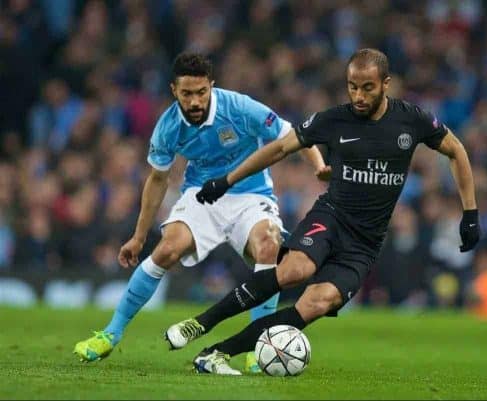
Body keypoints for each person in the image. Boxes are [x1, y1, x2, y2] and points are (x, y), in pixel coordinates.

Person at [164, 48, 480, 375]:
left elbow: (456, 150)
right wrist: (228, 180)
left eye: (367, 87)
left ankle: (216, 353)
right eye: (352, 86)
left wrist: (470, 213)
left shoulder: (412, 120)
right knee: (293, 270)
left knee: (316, 304)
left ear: (386, 84)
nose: (358, 95)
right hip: (331, 218)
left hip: (365, 243)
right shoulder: (334, 119)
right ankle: (201, 324)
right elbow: (281, 147)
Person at [73, 52, 328, 373]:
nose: (195, 101)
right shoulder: (168, 127)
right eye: (186, 94)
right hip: (202, 195)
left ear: (212, 86)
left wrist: (319, 166)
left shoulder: (239, 108)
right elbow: (157, 180)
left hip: (251, 194)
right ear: (173, 91)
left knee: (269, 246)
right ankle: (110, 334)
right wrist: (138, 237)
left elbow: (294, 135)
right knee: (166, 250)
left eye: (201, 92)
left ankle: (257, 348)